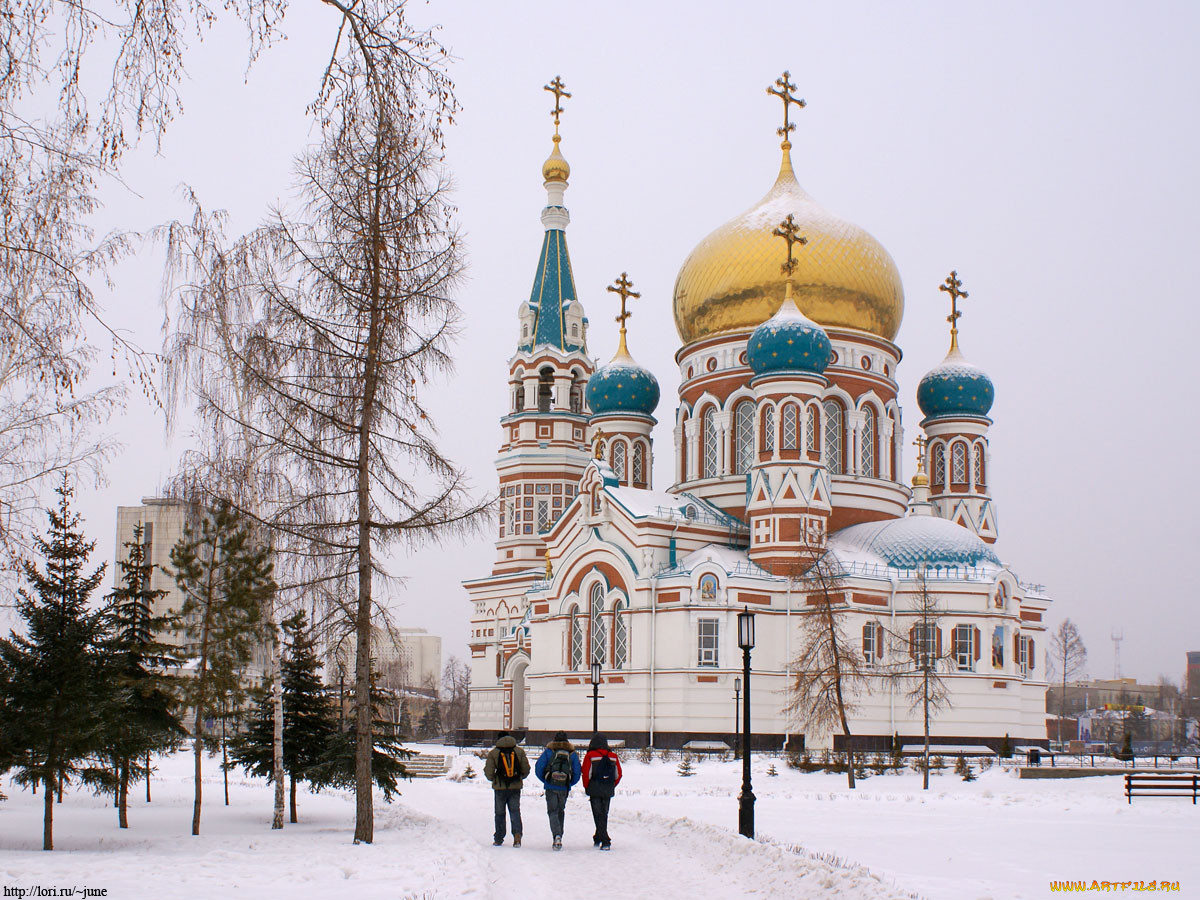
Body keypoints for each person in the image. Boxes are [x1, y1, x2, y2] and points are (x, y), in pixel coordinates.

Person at [534, 730, 582, 850]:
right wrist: (569, 783)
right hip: (564, 787)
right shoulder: (572, 754)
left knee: (552, 811)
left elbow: (538, 767)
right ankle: (559, 834)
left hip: (551, 786)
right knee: (560, 810)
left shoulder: (549, 751)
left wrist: (546, 780)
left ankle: (556, 835)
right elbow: (577, 772)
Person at [483, 730, 530, 847]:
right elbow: (526, 769)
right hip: (515, 787)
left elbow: (488, 772)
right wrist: (518, 778)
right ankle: (517, 836)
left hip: (499, 788)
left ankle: (499, 837)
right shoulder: (519, 751)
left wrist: (494, 779)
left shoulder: (494, 753)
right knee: (515, 811)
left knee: (499, 813)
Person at [581, 733, 622, 850]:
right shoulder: (613, 756)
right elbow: (618, 774)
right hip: (607, 788)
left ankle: (605, 841)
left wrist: (587, 787)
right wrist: (612, 785)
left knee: (598, 814)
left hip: (594, 788)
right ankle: (598, 837)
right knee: (604, 814)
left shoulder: (590, 755)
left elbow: (586, 773)